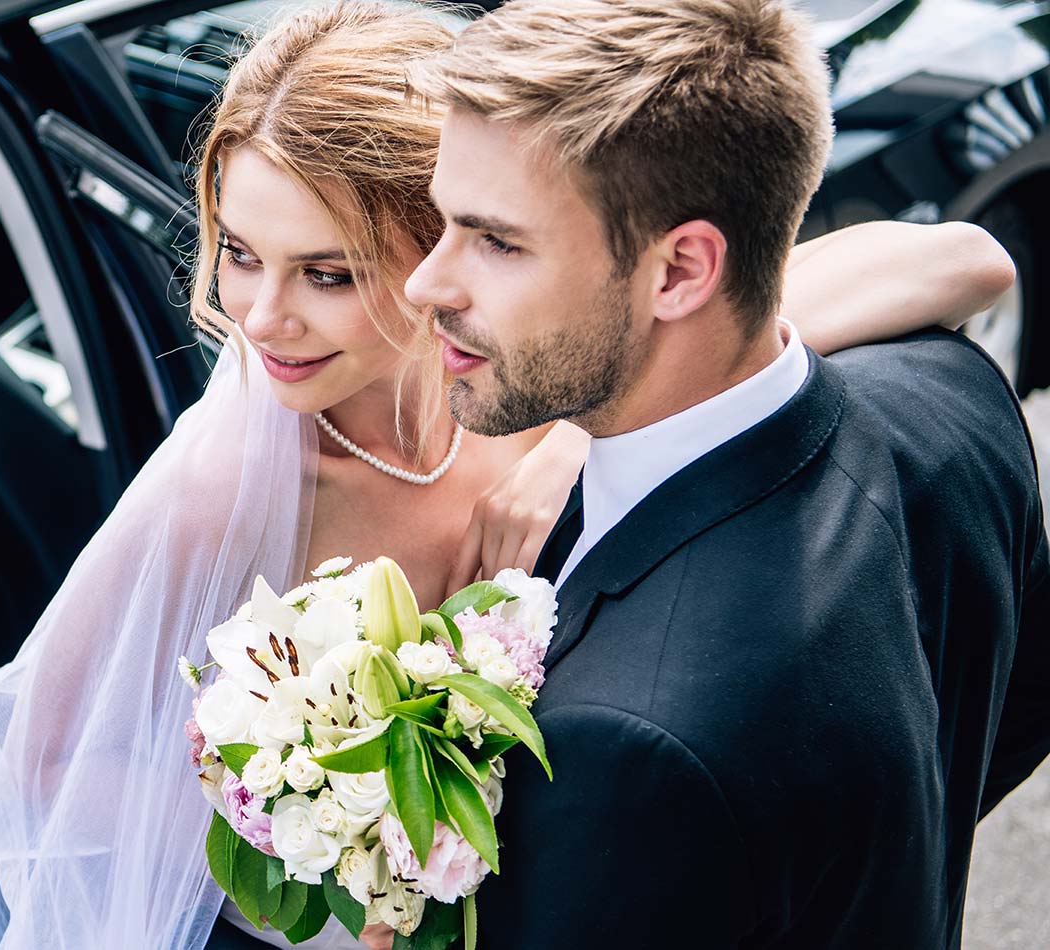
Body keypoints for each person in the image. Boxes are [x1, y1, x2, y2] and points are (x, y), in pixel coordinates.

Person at [0, 3, 1021, 948]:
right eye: (239, 252)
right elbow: (47, 765)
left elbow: (958, 262)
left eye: (327, 271)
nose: (261, 319)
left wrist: (563, 444)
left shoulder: (548, 372)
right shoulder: (226, 487)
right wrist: (322, 848)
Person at [396, 0, 1050, 946]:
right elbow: (1013, 703)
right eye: (443, 224)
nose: (428, 283)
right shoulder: (954, 401)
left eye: (496, 241)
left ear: (679, 273)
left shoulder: (632, 750)